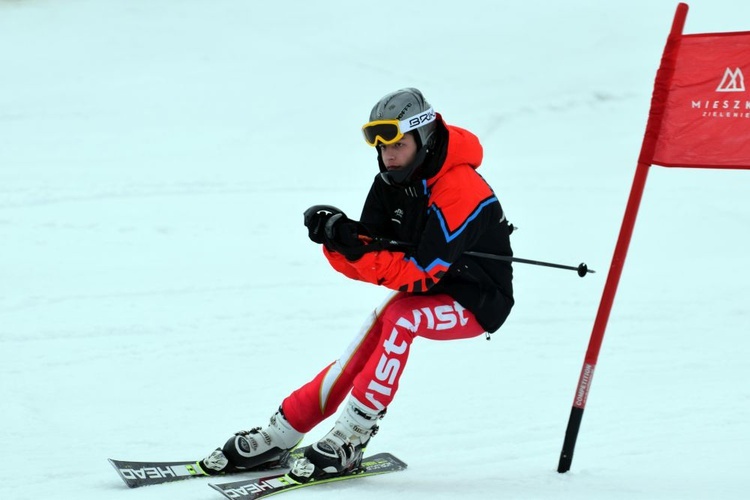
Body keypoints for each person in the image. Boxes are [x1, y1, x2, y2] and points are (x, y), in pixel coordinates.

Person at [198, 87, 514, 483]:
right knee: (366, 342)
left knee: (401, 317)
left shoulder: (462, 187)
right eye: (382, 147)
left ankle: (352, 437)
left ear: (425, 137)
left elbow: (421, 272)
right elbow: (370, 257)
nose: (388, 155)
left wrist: (356, 250)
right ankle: (283, 431)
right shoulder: (391, 181)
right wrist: (337, 237)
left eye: (398, 143)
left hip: (478, 299)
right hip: (428, 292)